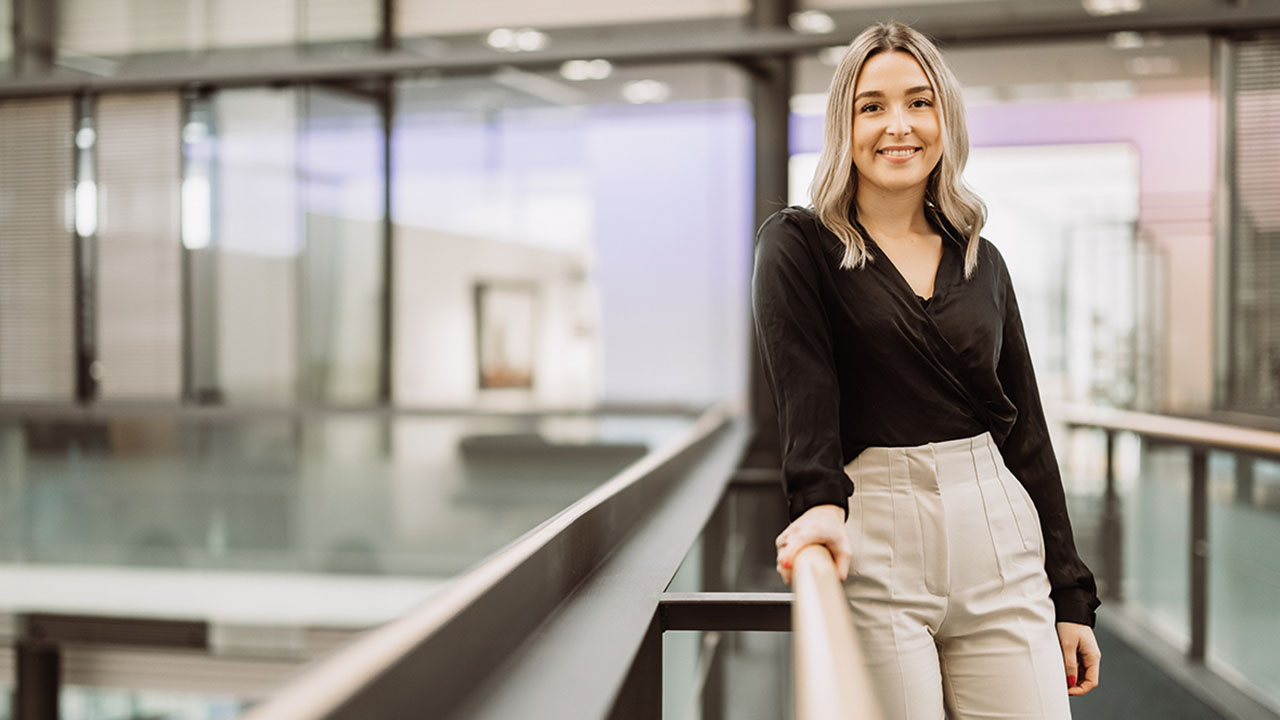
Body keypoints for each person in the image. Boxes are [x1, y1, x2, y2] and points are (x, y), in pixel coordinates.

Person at [751, 21, 1102, 720]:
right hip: (875, 536)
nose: (898, 126)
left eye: (919, 102)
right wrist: (817, 502)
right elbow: (805, 389)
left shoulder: (982, 259)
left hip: (998, 533)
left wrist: (1071, 593)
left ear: (945, 118)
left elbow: (1024, 427)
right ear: (843, 125)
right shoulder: (798, 244)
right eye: (871, 106)